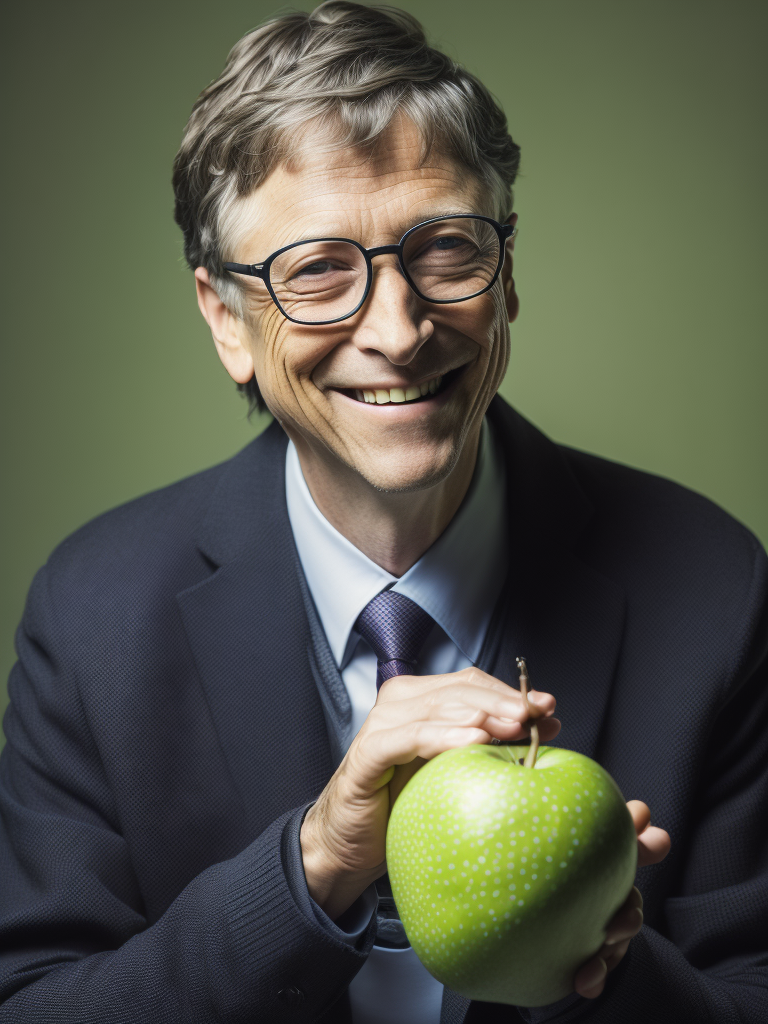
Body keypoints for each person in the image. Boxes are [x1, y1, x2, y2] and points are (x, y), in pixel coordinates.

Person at [0, 2, 765, 1022]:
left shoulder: (714, 585)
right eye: (317, 270)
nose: (399, 332)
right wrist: (309, 869)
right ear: (225, 318)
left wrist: (605, 969)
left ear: (507, 274)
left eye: (446, 249)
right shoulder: (91, 612)